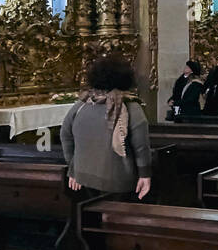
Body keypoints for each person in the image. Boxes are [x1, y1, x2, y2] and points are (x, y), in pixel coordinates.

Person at [61, 55, 152, 199]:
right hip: (118, 180)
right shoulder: (131, 107)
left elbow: (65, 135)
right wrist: (145, 174)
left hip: (83, 177)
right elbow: (141, 146)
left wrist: (73, 166)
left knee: (88, 213)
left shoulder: (82, 105)